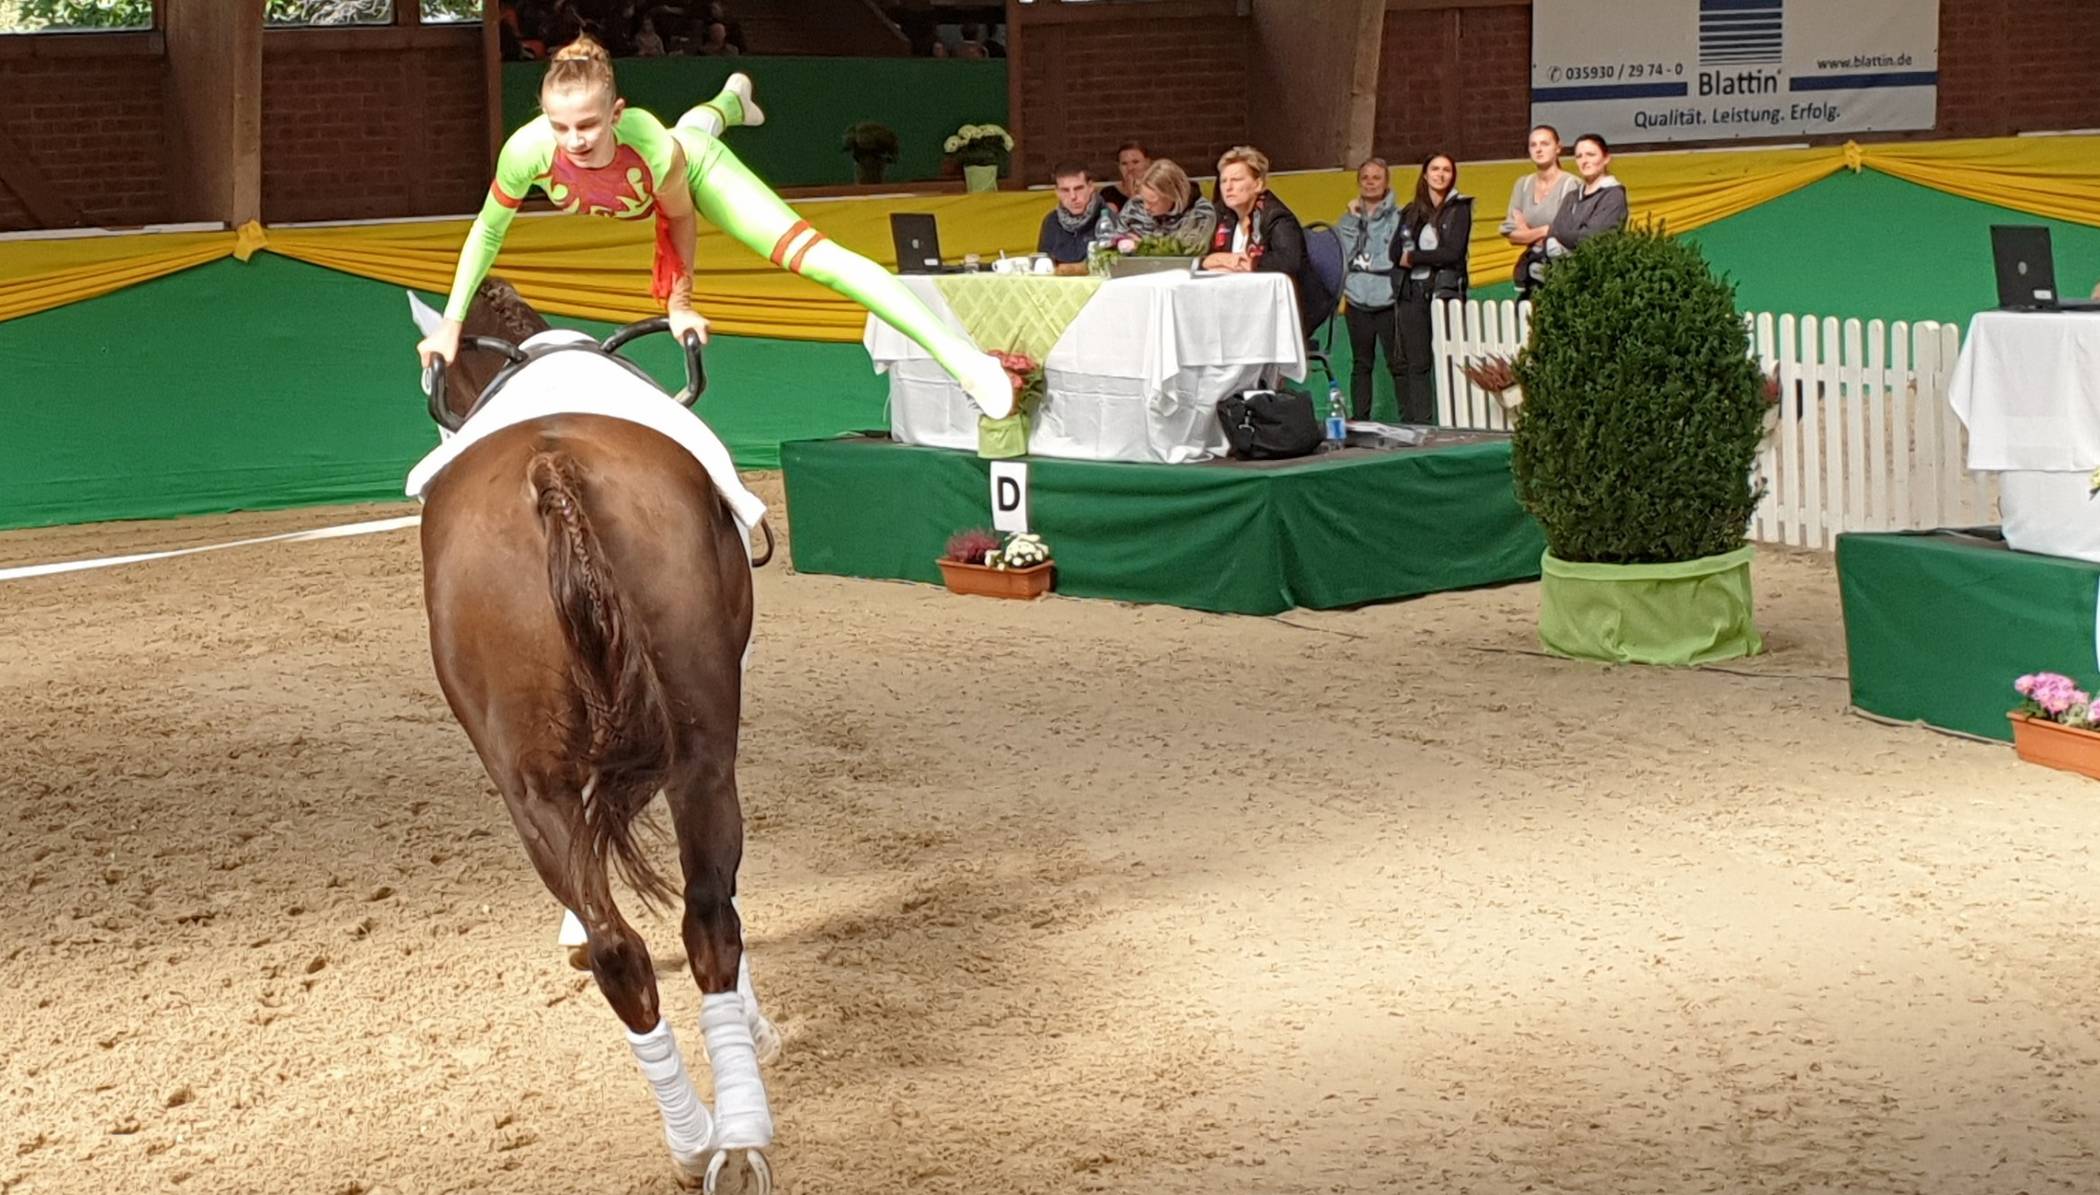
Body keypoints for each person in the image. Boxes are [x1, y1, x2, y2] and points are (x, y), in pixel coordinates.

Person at [416, 37, 1014, 419]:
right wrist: (451, 325)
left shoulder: (646, 143)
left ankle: (964, 361)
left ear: (615, 115)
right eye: (561, 126)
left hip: (693, 174)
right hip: (668, 159)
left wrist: (681, 304)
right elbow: (486, 234)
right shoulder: (527, 152)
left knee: (817, 257)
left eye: (589, 126)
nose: (575, 141)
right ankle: (731, 100)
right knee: (694, 124)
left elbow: (677, 218)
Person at [1388, 152, 1472, 425]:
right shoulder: (1410, 212)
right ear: (1425, 174)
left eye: (1446, 170)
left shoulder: (1460, 209)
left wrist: (1414, 258)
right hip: (1412, 294)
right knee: (1417, 363)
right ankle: (1421, 422)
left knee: (1450, 359)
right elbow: (1394, 252)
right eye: (1435, 169)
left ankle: (1453, 421)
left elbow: (1452, 253)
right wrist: (1410, 257)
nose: (1440, 174)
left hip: (1444, 292)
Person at [1203, 146, 1317, 332]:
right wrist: (1221, 259)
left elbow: (1289, 262)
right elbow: (1201, 256)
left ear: (1258, 184)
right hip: (1234, 304)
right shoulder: (1222, 215)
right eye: (1224, 181)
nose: (1228, 187)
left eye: (1237, 179)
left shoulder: (1277, 217)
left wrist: (1249, 263)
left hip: (1281, 310)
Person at [1335, 157, 1403, 421]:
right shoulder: (1347, 219)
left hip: (1388, 298)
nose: (1371, 183)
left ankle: (1407, 418)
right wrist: (1353, 220)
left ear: (1386, 182)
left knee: (1397, 363)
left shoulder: (1399, 218)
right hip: (1357, 299)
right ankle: (1360, 419)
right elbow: (1344, 254)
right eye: (1365, 178)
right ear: (1358, 182)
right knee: (1361, 364)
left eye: (1377, 177)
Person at [1502, 125, 1580, 298]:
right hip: (1532, 270)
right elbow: (1511, 234)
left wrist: (1527, 232)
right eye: (1533, 145)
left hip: (1563, 270)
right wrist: (1545, 230)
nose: (1538, 149)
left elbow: (1565, 232)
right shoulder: (1522, 185)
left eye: (1544, 143)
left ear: (1558, 148)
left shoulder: (1571, 184)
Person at [1540, 134, 1628, 271]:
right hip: (1563, 276)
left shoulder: (1613, 195)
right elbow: (1554, 231)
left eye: (1591, 155)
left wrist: (1560, 237)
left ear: (1606, 158)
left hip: (1598, 275)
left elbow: (1592, 238)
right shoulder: (1571, 196)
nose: (1584, 161)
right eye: (1579, 156)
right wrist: (1563, 235)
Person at [1114, 158, 1217, 253]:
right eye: (1144, 199)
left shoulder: (1200, 212)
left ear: (1172, 195)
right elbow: (1116, 239)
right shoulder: (1135, 205)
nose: (1146, 207)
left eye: (1152, 202)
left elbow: (1188, 252)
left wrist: (1143, 246)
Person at [1037, 162, 1106, 268]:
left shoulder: (1106, 219)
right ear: (1057, 192)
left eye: (1079, 188)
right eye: (1065, 190)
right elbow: (1043, 264)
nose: (1073, 196)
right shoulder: (1051, 221)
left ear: (1091, 187)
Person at [1097, 141, 1149, 212]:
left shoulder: (1157, 192)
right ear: (1119, 166)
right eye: (1124, 164)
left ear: (1147, 163)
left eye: (1135, 162)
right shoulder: (1109, 193)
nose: (1130, 168)